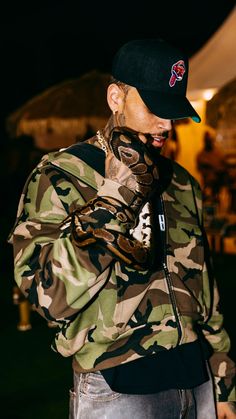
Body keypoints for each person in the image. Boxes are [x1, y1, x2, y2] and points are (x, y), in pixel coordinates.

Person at [8, 39, 235, 418]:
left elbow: (206, 291)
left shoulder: (180, 182)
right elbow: (49, 298)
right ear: (116, 97)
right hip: (119, 390)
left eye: (173, 111)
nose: (166, 124)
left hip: (198, 383)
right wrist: (113, 201)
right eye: (155, 109)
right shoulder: (61, 176)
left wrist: (223, 381)